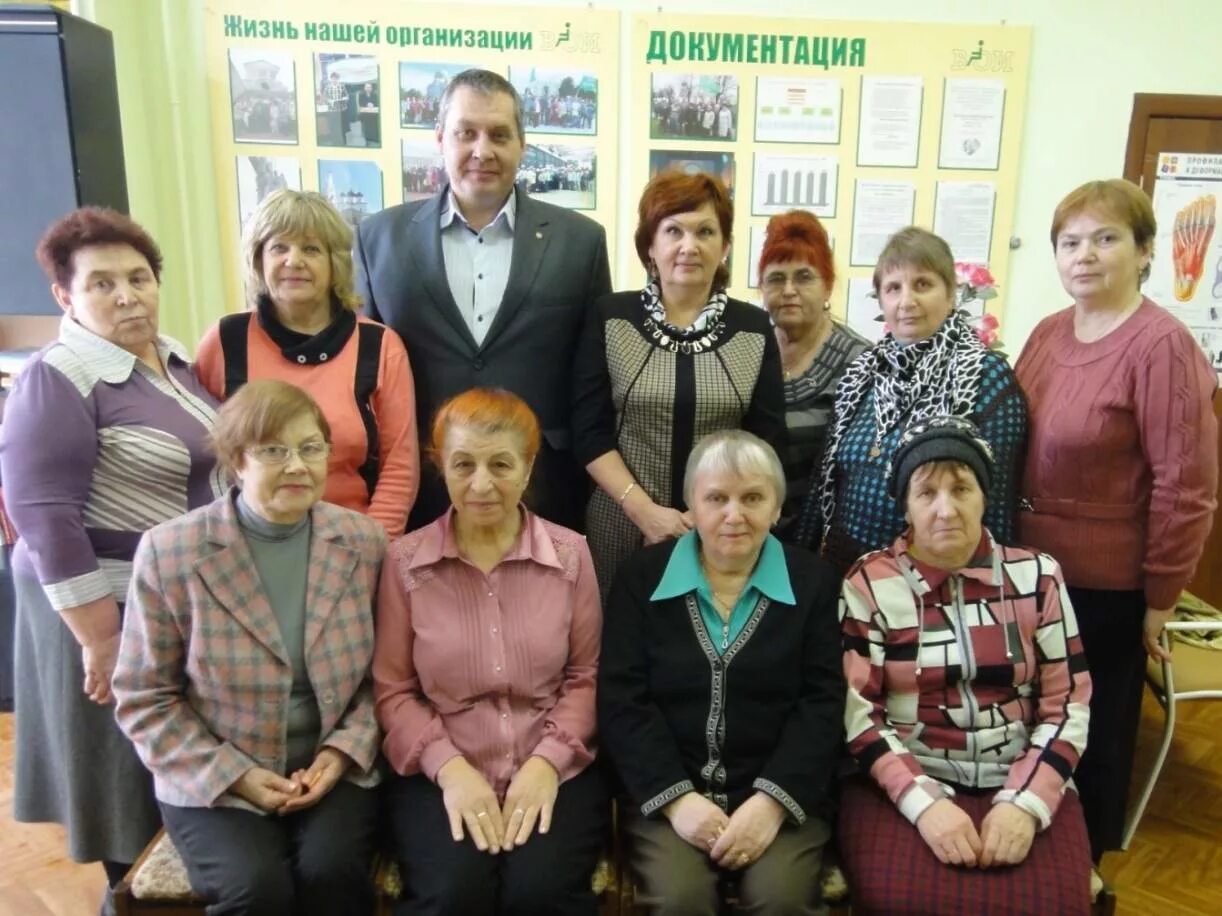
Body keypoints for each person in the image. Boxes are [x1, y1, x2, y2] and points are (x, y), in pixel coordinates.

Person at [0, 208, 225, 907]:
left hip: (164, 598)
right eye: (101, 283)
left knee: (155, 773)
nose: (127, 295)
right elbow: (43, 514)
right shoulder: (59, 375)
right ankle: (125, 899)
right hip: (99, 606)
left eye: (138, 278)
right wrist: (99, 638)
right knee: (118, 781)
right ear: (65, 296)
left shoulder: (171, 360)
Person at [113, 380, 386, 915]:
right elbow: (143, 697)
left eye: (311, 448)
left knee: (331, 874)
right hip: (215, 772)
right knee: (255, 890)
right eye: (273, 451)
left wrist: (343, 751)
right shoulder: (171, 552)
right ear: (237, 461)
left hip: (331, 768)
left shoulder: (363, 542)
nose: (297, 466)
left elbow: (388, 678)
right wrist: (234, 774)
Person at [1015, 178, 1218, 863]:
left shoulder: (1161, 345)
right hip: (1028, 575)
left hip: (1105, 589)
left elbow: (1187, 485)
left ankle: (1084, 871)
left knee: (1091, 736)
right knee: (1029, 726)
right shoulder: (1046, 334)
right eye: (1070, 242)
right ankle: (1026, 859)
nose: (1085, 256)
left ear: (1144, 250)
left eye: (1106, 239)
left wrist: (1161, 597)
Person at [839, 416, 1093, 915]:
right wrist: (925, 804)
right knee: (899, 900)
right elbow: (857, 715)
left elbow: (1068, 706)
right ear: (905, 507)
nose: (945, 509)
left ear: (985, 495)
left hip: (1020, 769)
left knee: (1054, 904)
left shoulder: (1038, 577)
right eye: (926, 492)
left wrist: (1025, 804)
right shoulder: (869, 583)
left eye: (962, 488)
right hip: (905, 776)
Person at [373, 388, 605, 915]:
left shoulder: (571, 556)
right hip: (438, 770)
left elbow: (586, 676)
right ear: (441, 468)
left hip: (554, 763)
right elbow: (394, 691)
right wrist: (451, 770)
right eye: (463, 464)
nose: (481, 483)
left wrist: (547, 763)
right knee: (454, 894)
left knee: (540, 894)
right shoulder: (405, 563)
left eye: (501, 464)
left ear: (528, 469)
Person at [354, 68, 612, 533]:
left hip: (546, 487)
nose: (482, 150)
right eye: (465, 133)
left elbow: (592, 381)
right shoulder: (379, 239)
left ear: (522, 144)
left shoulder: (581, 242)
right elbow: (365, 381)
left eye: (499, 134)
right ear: (440, 138)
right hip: (422, 489)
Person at [598, 431, 843, 915]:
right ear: (691, 505)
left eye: (753, 497)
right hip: (667, 799)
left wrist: (771, 803)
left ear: (776, 507)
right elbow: (623, 700)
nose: (734, 514)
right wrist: (677, 802)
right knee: (679, 899)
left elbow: (823, 703)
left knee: (781, 899)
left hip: (781, 800)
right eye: (716, 498)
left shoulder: (814, 583)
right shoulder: (640, 579)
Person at [573, 172, 785, 592]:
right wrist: (645, 512)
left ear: (724, 246)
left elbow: (766, 441)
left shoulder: (754, 327)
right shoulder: (611, 317)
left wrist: (712, 517)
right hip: (622, 524)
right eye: (673, 231)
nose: (689, 246)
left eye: (705, 231)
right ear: (650, 245)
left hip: (723, 531)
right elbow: (589, 432)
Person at [800, 226, 1027, 570]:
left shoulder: (986, 376)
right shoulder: (861, 373)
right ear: (881, 301)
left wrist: (981, 591)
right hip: (844, 570)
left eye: (923, 284)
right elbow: (823, 484)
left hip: (931, 578)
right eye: (893, 288)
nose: (907, 302)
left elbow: (995, 507)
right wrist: (803, 562)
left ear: (951, 294)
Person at [196, 189, 418, 538]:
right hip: (242, 545)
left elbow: (400, 467)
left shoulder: (380, 347)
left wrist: (375, 550)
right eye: (279, 248)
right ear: (258, 260)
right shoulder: (225, 341)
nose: (293, 260)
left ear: (336, 264)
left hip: (353, 545)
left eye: (311, 249)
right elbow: (207, 457)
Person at [758, 210, 869, 542]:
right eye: (776, 278)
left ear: (828, 286)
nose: (789, 290)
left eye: (804, 277)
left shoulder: (860, 362)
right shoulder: (750, 348)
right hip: (749, 537)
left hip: (826, 540)